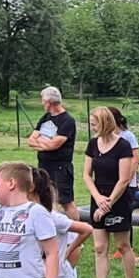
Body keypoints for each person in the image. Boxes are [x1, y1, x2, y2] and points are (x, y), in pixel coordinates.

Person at [80, 107, 137, 278]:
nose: (91, 127)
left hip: (118, 199)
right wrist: (98, 198)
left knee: (123, 245)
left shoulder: (123, 146)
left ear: (105, 123)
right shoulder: (92, 144)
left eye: (94, 123)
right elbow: (86, 175)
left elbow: (124, 179)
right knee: (99, 247)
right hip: (99, 198)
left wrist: (108, 203)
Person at [28, 86, 79, 221]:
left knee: (65, 201)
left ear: (49, 102)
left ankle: (77, 231)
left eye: (43, 101)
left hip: (60, 167)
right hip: (44, 165)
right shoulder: (45, 118)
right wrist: (46, 144)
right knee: (46, 198)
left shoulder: (67, 120)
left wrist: (42, 142)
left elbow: (54, 145)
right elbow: (31, 140)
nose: (42, 103)